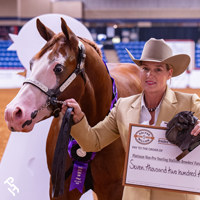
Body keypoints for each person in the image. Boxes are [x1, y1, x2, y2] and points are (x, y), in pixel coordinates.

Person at [62, 38, 200, 200]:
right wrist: (78, 120)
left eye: (158, 69)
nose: (150, 75)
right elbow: (94, 141)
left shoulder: (189, 102)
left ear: (169, 73)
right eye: (145, 68)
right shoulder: (122, 107)